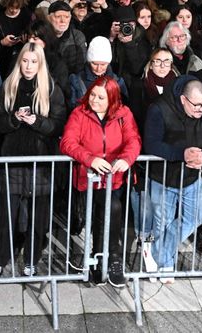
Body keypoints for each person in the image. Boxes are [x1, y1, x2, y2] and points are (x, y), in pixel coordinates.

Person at [0, 43, 67, 276]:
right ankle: (1, 257)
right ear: (19, 61)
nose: (29, 66)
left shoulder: (51, 89)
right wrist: (14, 119)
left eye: (34, 61)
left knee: (38, 216)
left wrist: (37, 122)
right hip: (11, 159)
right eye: (25, 60)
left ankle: (32, 258)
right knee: (6, 215)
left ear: (40, 63)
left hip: (41, 161)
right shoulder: (8, 86)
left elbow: (58, 125)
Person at [142, 75, 202, 282]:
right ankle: (166, 263)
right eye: (196, 105)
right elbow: (151, 144)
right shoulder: (159, 109)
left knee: (197, 217)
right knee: (163, 221)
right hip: (163, 177)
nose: (201, 109)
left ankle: (154, 251)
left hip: (192, 177)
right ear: (183, 99)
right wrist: (182, 154)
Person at [59, 76, 141, 287]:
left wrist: (126, 159)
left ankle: (110, 258)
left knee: (109, 212)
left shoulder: (124, 114)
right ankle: (103, 257)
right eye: (93, 95)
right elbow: (68, 142)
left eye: (101, 97)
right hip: (88, 178)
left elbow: (133, 140)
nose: (94, 100)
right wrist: (90, 158)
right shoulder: (80, 113)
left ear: (112, 99)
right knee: (102, 213)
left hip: (115, 179)